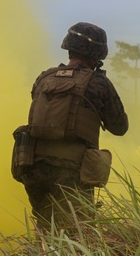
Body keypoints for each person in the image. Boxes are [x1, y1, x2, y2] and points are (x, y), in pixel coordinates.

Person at [12, 22, 129, 231]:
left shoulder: (44, 78)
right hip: (71, 172)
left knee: (47, 231)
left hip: (33, 168)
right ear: (97, 54)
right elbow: (120, 127)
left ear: (69, 47)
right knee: (76, 237)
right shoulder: (98, 83)